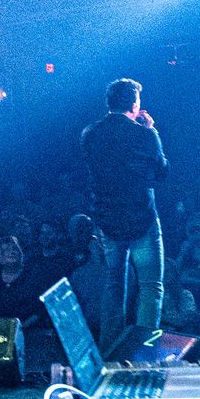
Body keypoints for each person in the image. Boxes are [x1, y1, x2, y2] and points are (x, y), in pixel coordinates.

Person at [81, 78, 168, 342]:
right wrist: (151, 130)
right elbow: (162, 172)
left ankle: (110, 350)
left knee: (114, 285)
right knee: (150, 286)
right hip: (141, 218)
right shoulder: (144, 133)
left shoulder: (90, 133)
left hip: (108, 220)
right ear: (134, 104)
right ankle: (142, 349)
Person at [0, 235, 48, 324]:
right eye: (7, 249)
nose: (12, 252)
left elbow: (40, 309)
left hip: (29, 329)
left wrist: (23, 326)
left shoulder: (33, 275)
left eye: (15, 248)